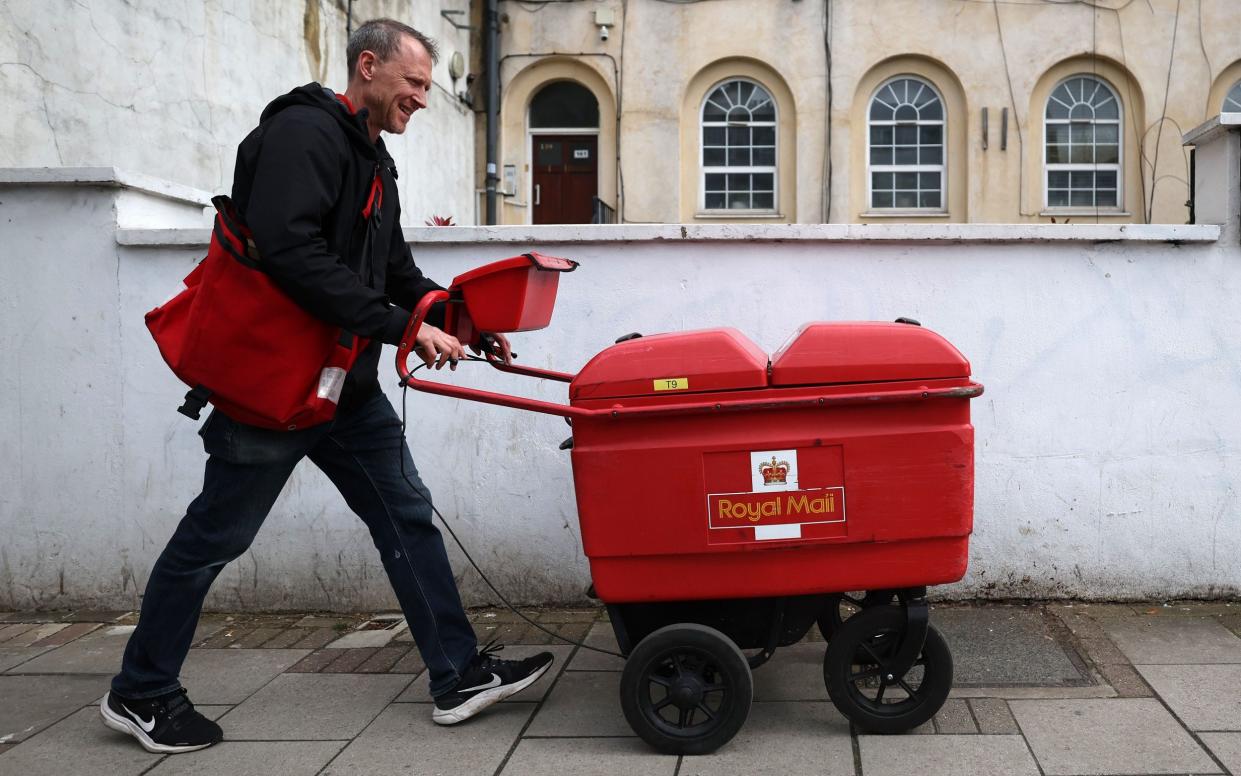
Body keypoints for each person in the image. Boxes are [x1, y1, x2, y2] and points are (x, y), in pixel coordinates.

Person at [99, 18, 553, 754]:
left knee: (405, 515)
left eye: (426, 88)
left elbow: (392, 271)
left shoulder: (372, 156)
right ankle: (140, 691)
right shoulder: (302, 136)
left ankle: (458, 674)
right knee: (216, 537)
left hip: (344, 385)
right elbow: (291, 255)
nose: (421, 100)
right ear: (366, 67)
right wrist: (401, 329)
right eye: (411, 84)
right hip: (273, 386)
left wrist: (462, 319)